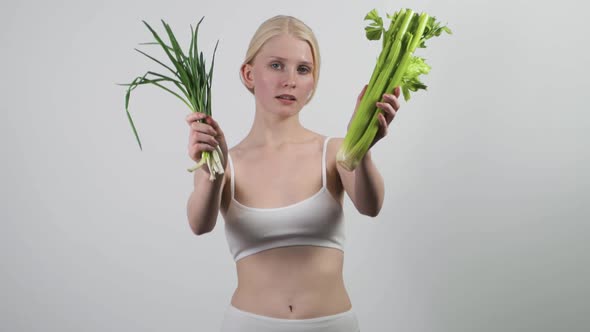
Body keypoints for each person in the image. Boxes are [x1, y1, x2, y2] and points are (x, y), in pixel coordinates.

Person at [185, 15, 400, 332]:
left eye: (303, 69)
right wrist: (211, 173)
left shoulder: (335, 152)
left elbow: (371, 206)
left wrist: (364, 143)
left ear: (314, 80)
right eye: (276, 65)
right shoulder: (224, 162)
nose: (291, 80)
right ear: (248, 74)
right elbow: (199, 224)